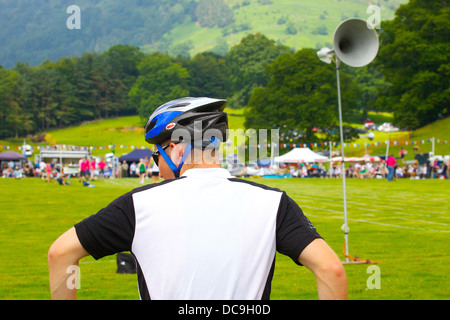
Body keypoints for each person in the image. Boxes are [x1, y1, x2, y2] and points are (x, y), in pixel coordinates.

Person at [48, 97, 347, 300]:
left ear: (178, 148)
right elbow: (331, 269)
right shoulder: (273, 202)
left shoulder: (138, 205)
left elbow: (60, 254)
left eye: (157, 155)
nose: (158, 165)